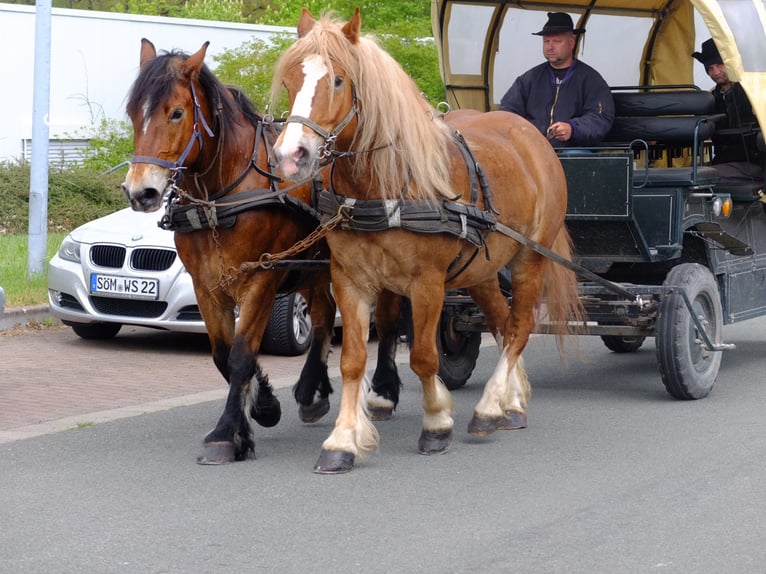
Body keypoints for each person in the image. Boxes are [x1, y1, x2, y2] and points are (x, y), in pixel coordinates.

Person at [500, 12, 614, 148]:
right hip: (533, 149)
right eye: (546, 41)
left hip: (573, 151)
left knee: (575, 156)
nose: (550, 47)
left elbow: (600, 117)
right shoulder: (528, 79)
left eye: (557, 41)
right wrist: (526, 131)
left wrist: (573, 129)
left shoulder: (591, 80)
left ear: (572, 43)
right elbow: (508, 111)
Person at [692, 38, 763, 186]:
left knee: (697, 177)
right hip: (724, 161)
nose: (715, 72)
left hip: (755, 163)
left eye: (720, 65)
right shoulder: (710, 98)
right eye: (710, 68)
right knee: (681, 175)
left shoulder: (754, 91)